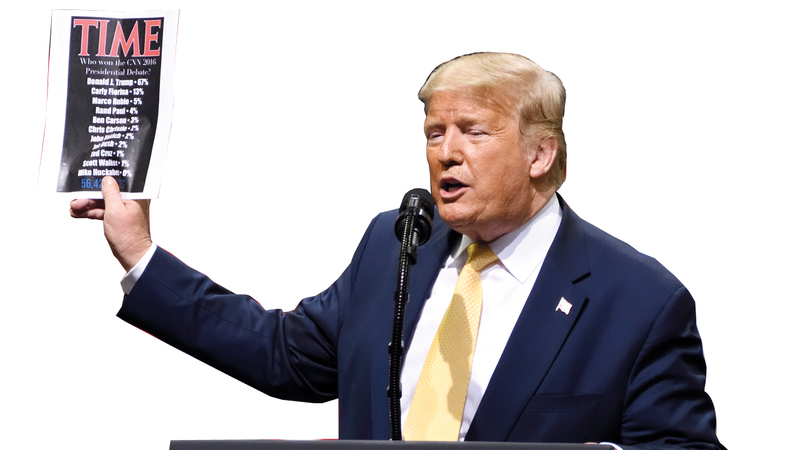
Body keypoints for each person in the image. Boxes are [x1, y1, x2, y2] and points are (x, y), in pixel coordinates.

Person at [70, 52, 724, 449]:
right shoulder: (398, 245)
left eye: (473, 132)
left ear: (539, 153)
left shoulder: (638, 301)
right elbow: (284, 355)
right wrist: (140, 253)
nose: (447, 153)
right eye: (435, 132)